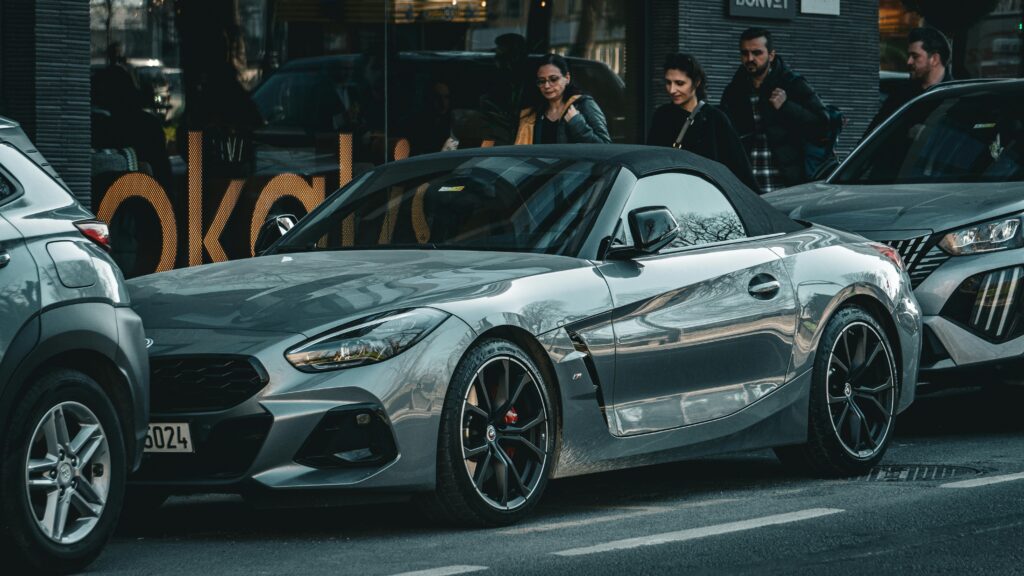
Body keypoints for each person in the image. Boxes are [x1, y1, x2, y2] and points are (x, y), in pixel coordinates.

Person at [720, 28, 829, 193]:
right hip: (748, 186)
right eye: (745, 53)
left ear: (771, 55)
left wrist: (786, 107)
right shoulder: (734, 91)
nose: (750, 59)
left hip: (787, 185)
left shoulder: (792, 84)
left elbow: (822, 126)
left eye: (757, 53)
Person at [648, 53, 759, 192]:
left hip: (707, 197)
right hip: (671, 193)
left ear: (697, 82)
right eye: (668, 82)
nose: (672, 90)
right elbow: (651, 161)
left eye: (679, 83)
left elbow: (739, 166)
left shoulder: (714, 118)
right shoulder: (662, 116)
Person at [865, 27, 953, 136]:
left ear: (934, 59)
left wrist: (928, 134)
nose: (909, 61)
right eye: (909, 56)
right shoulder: (901, 94)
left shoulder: (956, 97)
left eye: (915, 56)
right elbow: (873, 133)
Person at [515, 54, 611, 145]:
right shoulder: (533, 114)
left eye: (553, 79)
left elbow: (605, 147)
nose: (547, 86)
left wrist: (577, 123)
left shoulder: (583, 104)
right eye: (541, 81)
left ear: (567, 78)